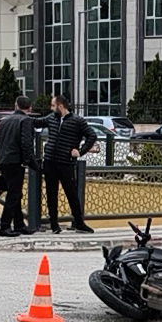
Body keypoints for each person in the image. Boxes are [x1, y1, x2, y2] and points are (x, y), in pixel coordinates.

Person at [37, 94, 98, 233]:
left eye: (53, 105)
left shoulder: (77, 121)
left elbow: (92, 135)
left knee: (71, 194)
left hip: (66, 163)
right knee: (51, 194)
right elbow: (37, 122)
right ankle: (54, 224)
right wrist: (20, 117)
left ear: (60, 106)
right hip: (50, 161)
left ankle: (79, 223)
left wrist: (80, 151)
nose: (51, 108)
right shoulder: (52, 118)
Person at [0, 96, 39, 237]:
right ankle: (5, 226)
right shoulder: (25, 120)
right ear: (29, 108)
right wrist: (29, 162)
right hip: (15, 161)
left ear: (16, 105)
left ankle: (19, 225)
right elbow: (26, 144)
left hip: (4, 160)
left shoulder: (5, 120)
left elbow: (0, 141)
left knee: (16, 193)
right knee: (13, 195)